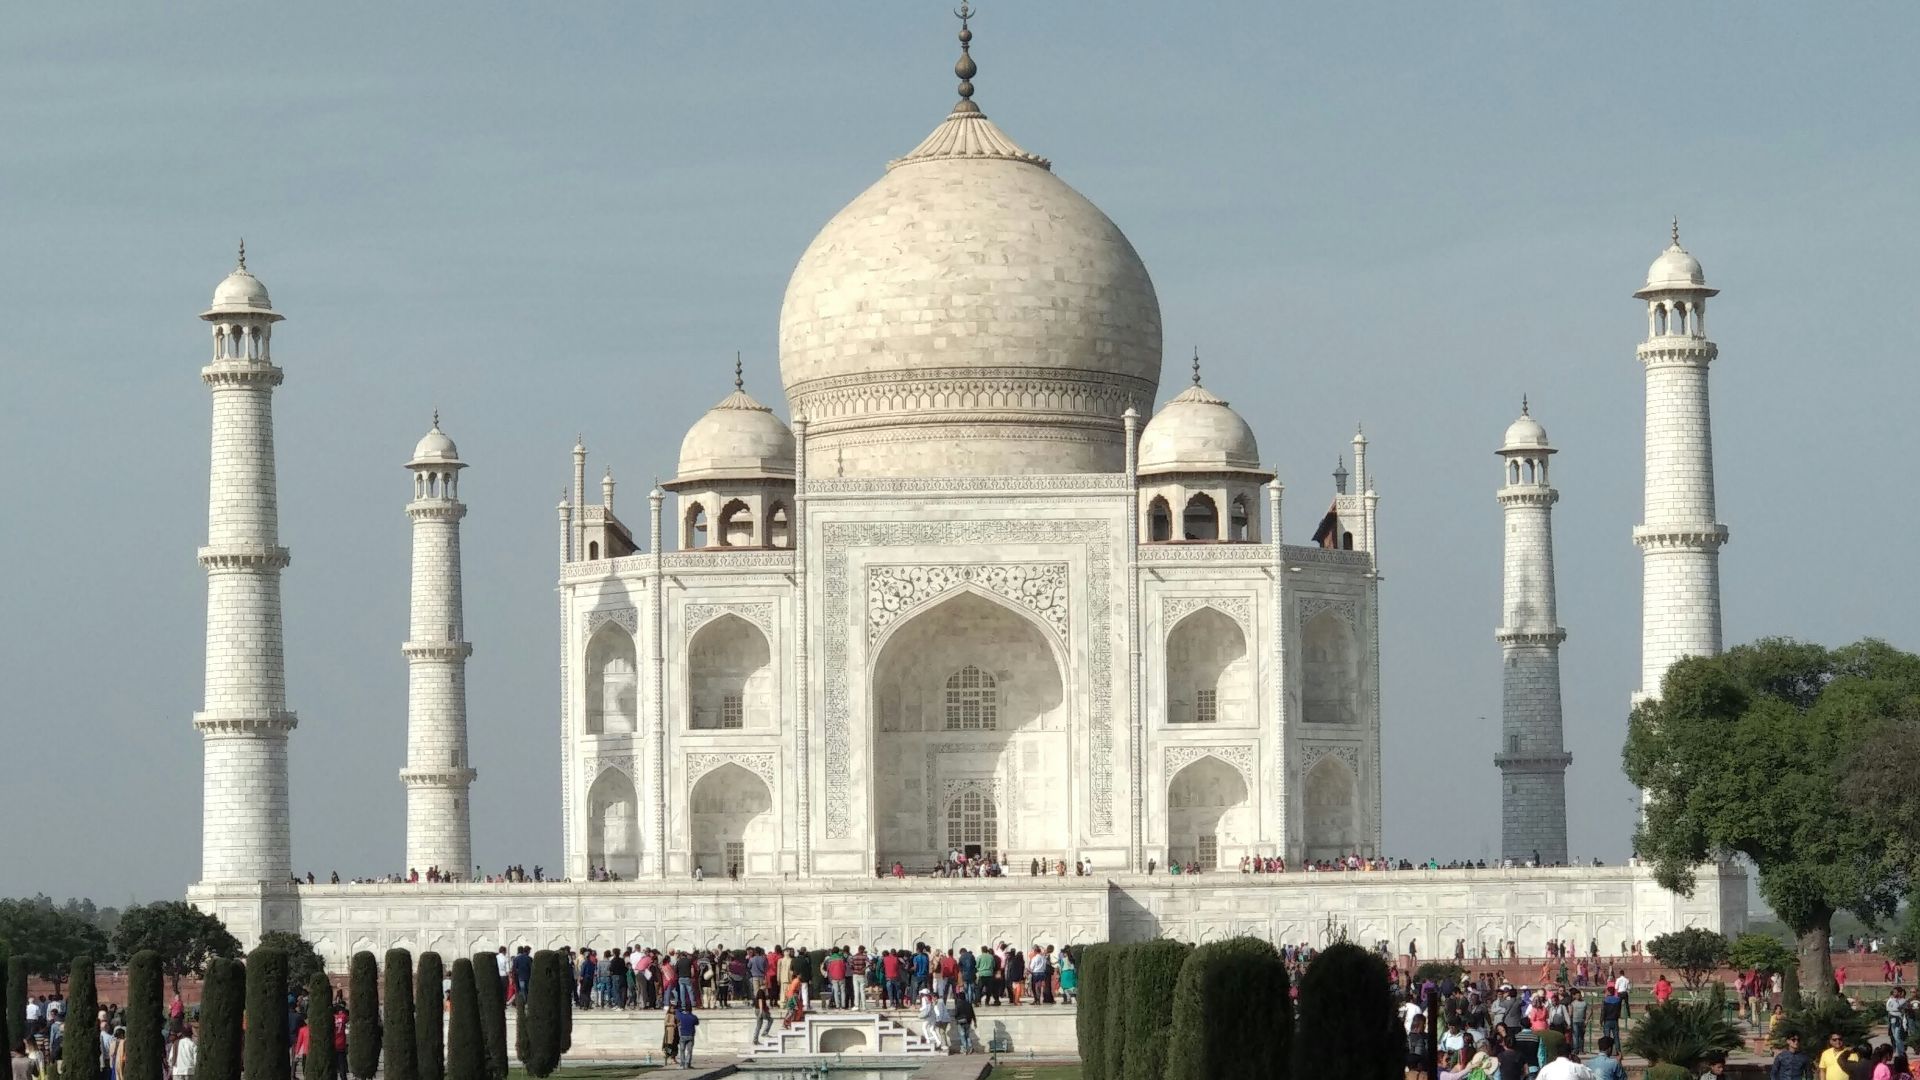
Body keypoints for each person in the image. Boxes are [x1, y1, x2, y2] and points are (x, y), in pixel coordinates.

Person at [950, 989, 977, 1055]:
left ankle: (965, 1049)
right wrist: (975, 1022)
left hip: (961, 1022)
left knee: (962, 1036)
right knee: (967, 1035)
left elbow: (956, 1014)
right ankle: (970, 1047)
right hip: (968, 1022)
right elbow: (973, 1014)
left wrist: (957, 1019)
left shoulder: (958, 1005)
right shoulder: (969, 1004)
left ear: (959, 998)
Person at [675, 1005, 698, 1069]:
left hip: (683, 1035)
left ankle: (682, 1064)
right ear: (691, 1010)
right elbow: (697, 1023)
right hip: (691, 1035)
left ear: (685, 1010)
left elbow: (677, 1011)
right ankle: (687, 1064)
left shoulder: (682, 1016)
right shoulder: (694, 1017)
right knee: (689, 1051)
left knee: (682, 1050)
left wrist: (681, 1009)